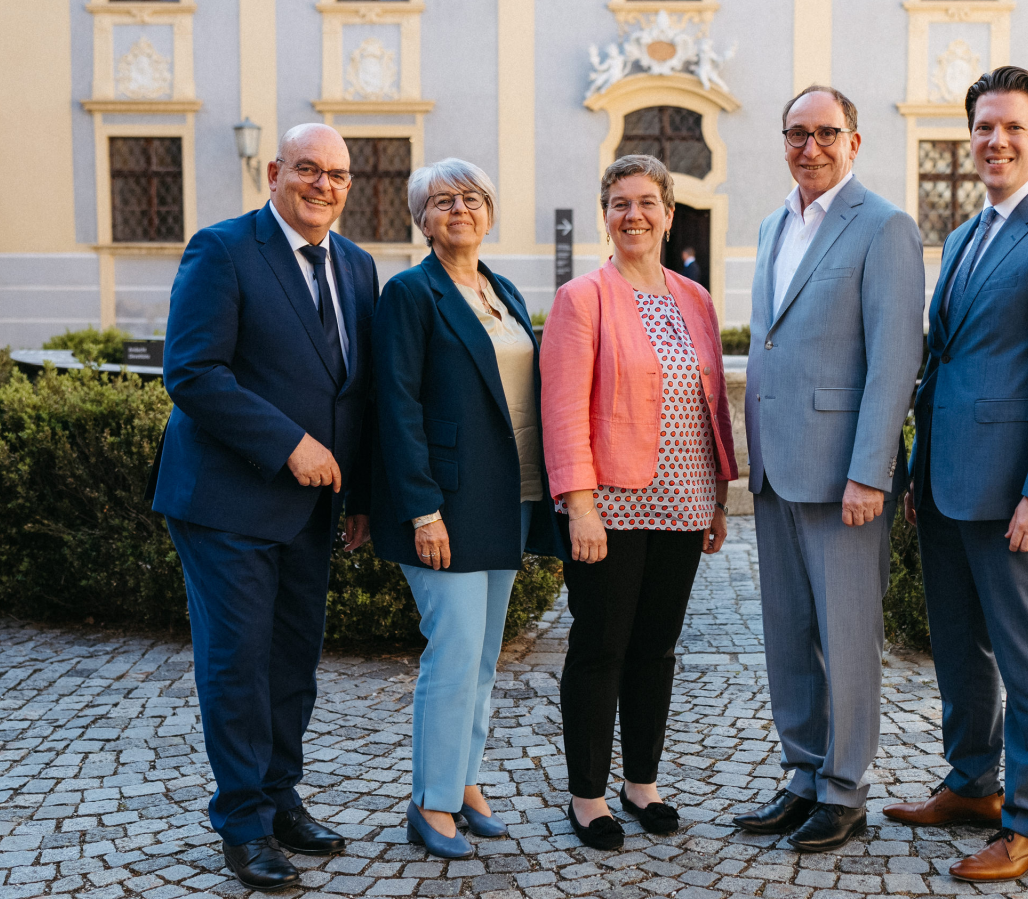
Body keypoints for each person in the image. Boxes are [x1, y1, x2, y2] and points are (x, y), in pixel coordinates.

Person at [887, 66, 1028, 881]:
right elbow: (946, 359)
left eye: (1013, 127)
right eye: (983, 126)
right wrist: (916, 474)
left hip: (1018, 492)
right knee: (958, 646)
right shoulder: (971, 232)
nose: (996, 140)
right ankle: (973, 781)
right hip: (948, 484)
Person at [152, 123, 375, 892]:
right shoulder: (223, 249)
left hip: (313, 508)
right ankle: (243, 823)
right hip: (227, 500)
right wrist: (289, 444)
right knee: (237, 665)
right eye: (308, 169)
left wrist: (357, 495)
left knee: (292, 665)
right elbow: (192, 370)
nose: (323, 185)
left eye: (338, 174)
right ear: (275, 171)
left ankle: (281, 798)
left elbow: (353, 388)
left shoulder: (357, 264)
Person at [732, 85, 925, 852]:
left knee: (846, 636)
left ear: (854, 139)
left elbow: (894, 360)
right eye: (795, 133)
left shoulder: (884, 227)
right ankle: (804, 773)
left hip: (847, 473)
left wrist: (872, 471)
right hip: (777, 469)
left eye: (824, 133)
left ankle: (846, 787)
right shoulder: (773, 223)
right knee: (787, 633)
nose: (808, 147)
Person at [540, 154, 738, 851]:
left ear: (669, 213)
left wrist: (717, 494)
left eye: (648, 202)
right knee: (601, 646)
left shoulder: (695, 298)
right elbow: (561, 409)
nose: (635, 215)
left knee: (656, 648)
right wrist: (579, 503)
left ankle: (642, 783)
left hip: (685, 501)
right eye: (621, 202)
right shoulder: (583, 297)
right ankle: (588, 793)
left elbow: (709, 400)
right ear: (606, 212)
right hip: (613, 507)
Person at [370, 159, 564, 858]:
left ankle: (465, 781)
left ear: (490, 211)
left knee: (482, 658)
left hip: (508, 499)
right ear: (421, 219)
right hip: (444, 506)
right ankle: (431, 801)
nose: (459, 207)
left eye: (472, 196)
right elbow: (394, 406)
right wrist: (422, 511)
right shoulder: (410, 294)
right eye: (442, 199)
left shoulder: (501, 287)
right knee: (451, 654)